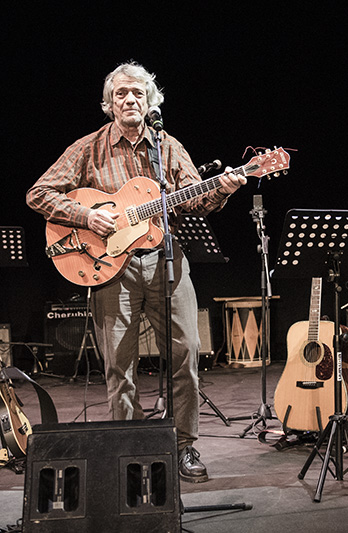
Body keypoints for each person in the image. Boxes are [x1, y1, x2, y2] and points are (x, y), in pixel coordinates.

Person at [26, 61, 246, 483]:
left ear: (151, 101)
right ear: (109, 103)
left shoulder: (167, 147)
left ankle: (184, 446)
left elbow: (193, 201)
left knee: (185, 355)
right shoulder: (87, 148)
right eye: (122, 94)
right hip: (111, 269)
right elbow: (39, 193)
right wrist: (86, 215)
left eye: (138, 93)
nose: (130, 100)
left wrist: (224, 187)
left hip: (166, 261)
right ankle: (130, 447)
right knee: (119, 365)